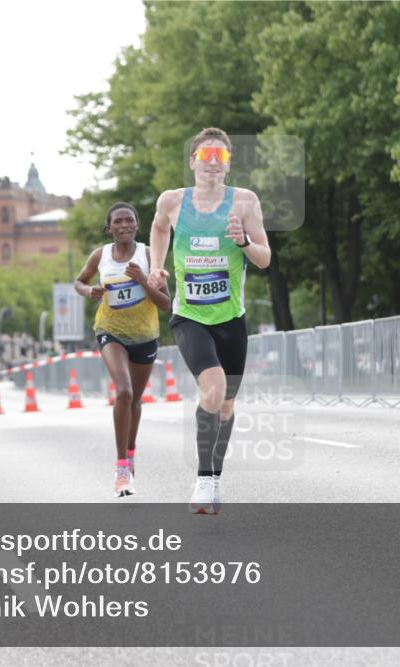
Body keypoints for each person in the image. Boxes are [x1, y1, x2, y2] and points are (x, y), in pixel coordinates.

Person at [147, 127, 271, 514]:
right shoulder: (172, 201)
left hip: (231, 319)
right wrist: (156, 266)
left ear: (228, 164)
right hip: (190, 317)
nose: (213, 163)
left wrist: (243, 242)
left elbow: (265, 258)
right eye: (206, 156)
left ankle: (215, 476)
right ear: (193, 162)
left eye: (220, 157)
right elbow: (158, 228)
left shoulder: (245, 202)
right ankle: (202, 481)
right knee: (213, 391)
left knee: (227, 406)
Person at [75, 202, 171, 497]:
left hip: (145, 335)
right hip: (110, 331)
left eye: (129, 220)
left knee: (136, 400)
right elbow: (79, 281)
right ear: (109, 228)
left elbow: (166, 304)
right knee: (124, 392)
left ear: (137, 226)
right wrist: (89, 291)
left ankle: (130, 454)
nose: (124, 225)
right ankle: (120, 469)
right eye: (118, 221)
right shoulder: (100, 256)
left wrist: (143, 280)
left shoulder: (148, 255)